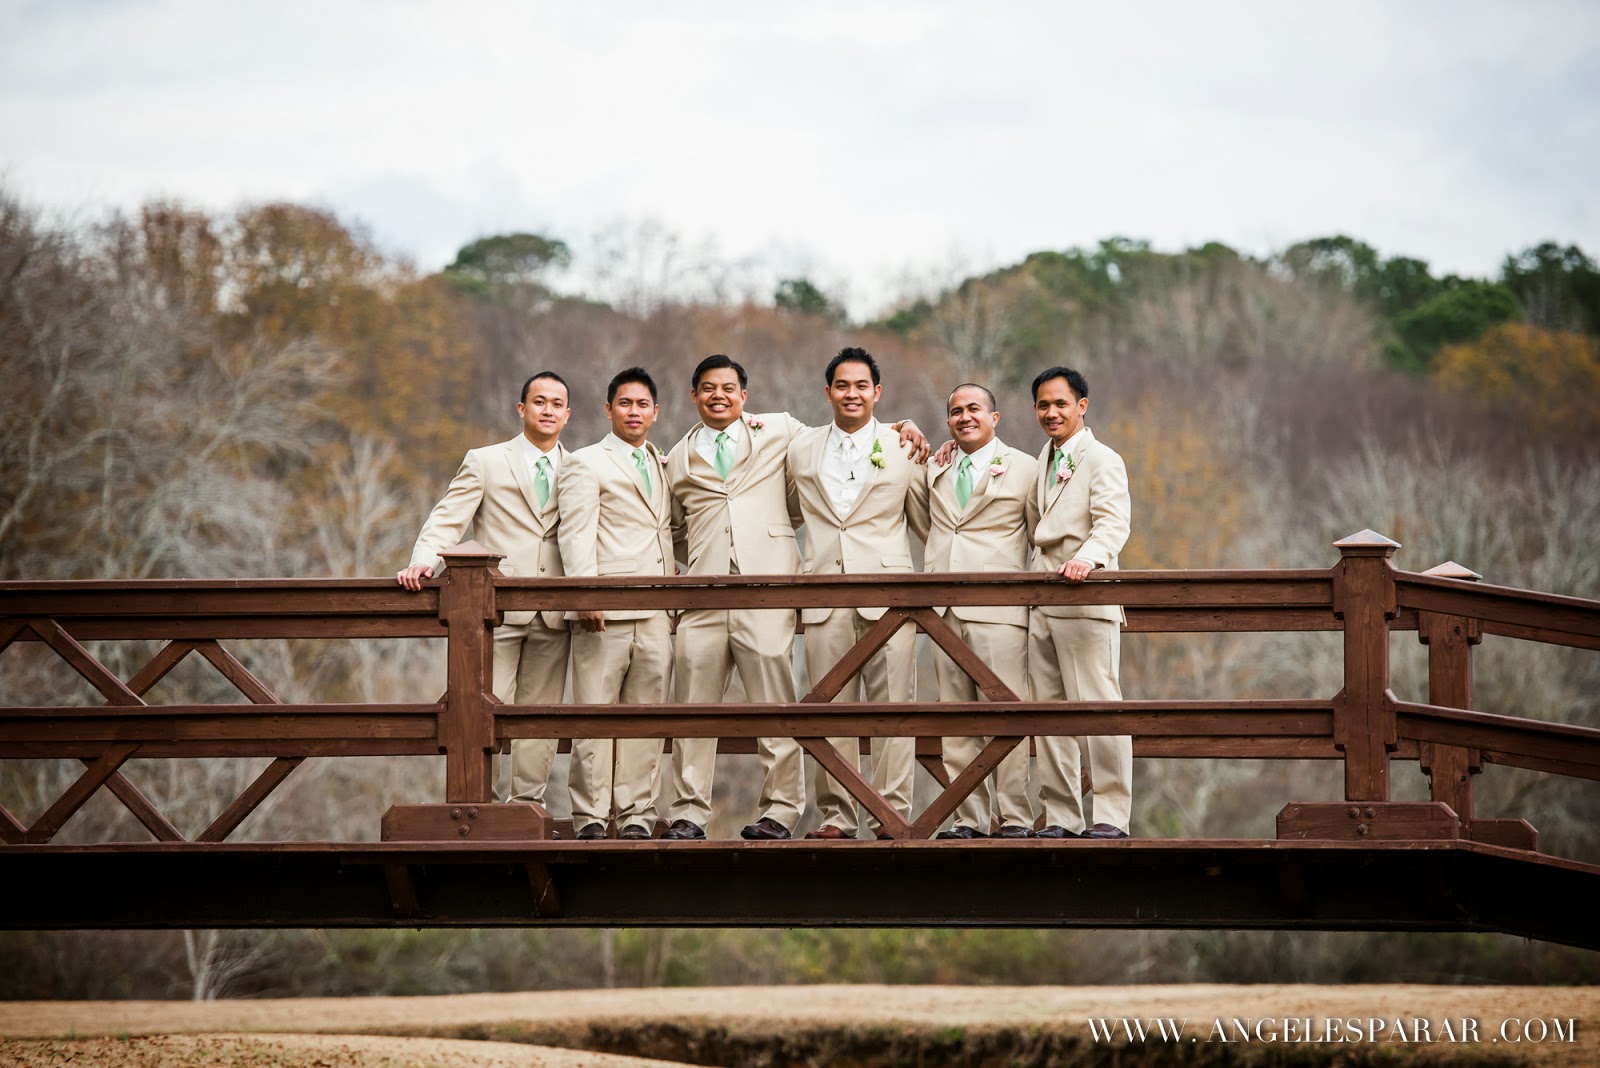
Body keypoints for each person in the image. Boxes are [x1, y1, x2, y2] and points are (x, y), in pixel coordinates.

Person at [661, 355, 928, 841]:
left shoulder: (781, 430)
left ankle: (791, 810)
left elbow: (852, 429)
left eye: (728, 388)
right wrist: (703, 553)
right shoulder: (676, 456)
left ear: (744, 395)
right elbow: (672, 527)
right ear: (693, 395)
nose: (718, 395)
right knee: (692, 708)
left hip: (774, 590)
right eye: (707, 388)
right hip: (704, 592)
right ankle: (689, 813)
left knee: (780, 705)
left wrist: (901, 425)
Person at [397, 371, 573, 808]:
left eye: (556, 404)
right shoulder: (485, 460)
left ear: (567, 415)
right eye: (539, 401)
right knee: (483, 712)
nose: (547, 410)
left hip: (553, 610)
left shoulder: (581, 467)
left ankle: (527, 806)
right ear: (522, 409)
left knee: (539, 717)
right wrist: (424, 559)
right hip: (493, 611)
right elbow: (448, 517)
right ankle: (483, 804)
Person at [788, 347, 931, 840]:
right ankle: (836, 816)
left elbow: (928, 523)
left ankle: (890, 813)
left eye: (861, 386)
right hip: (824, 591)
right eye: (842, 386)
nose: (852, 394)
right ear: (827, 392)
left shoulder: (905, 447)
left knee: (895, 706)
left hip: (891, 596)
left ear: (877, 392)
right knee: (829, 709)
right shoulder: (801, 447)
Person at [556, 367, 674, 840]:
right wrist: (585, 593)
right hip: (604, 611)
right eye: (625, 403)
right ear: (609, 409)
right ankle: (589, 817)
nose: (634, 411)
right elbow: (576, 531)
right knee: (594, 716)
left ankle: (636, 816)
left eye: (643, 404)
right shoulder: (586, 462)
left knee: (646, 721)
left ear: (656, 412)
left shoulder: (660, 463)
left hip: (657, 611)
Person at [924, 384, 1039, 839]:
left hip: (1000, 608)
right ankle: (967, 818)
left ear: (995, 417)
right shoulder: (937, 466)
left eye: (974, 409)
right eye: (955, 411)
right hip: (942, 609)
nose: (964, 417)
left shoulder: (1026, 469)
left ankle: (1015, 818)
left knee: (1007, 718)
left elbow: (1040, 533)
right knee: (956, 720)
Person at [1024, 366, 1133, 839]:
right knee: (1049, 716)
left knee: (1100, 709)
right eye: (1044, 405)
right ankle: (1063, 817)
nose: (1051, 413)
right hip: (1040, 601)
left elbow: (1112, 523)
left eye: (1061, 404)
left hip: (1085, 598)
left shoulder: (1103, 458)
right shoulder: (1041, 458)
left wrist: (1087, 560)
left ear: (1082, 406)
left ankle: (1111, 815)